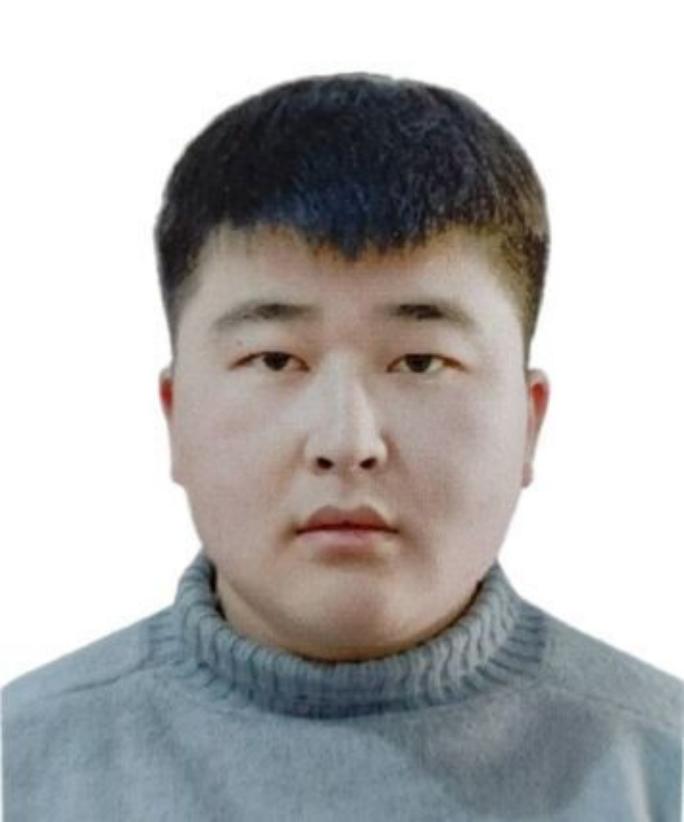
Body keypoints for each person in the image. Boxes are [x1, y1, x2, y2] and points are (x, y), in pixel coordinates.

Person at [2, 72, 682, 820]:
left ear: (529, 420)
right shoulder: (22, 768)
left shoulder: (660, 770)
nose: (347, 442)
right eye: (274, 359)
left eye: (420, 362)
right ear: (175, 414)